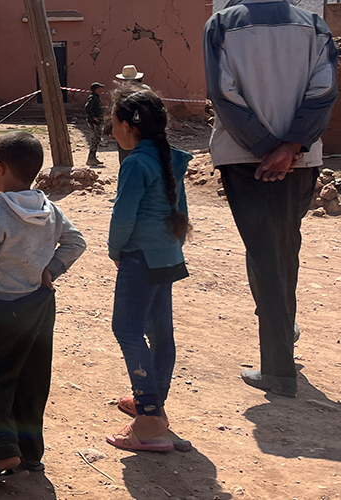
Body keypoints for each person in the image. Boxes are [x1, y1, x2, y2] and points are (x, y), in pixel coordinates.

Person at [204, 0, 339, 398]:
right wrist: (291, 147)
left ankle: (278, 367)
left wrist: (267, 149)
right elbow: (324, 90)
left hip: (247, 159)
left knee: (265, 251)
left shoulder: (223, 24)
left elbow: (223, 92)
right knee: (284, 245)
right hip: (303, 158)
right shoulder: (314, 25)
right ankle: (284, 327)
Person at [0, 131, 86, 484]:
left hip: (3, 308)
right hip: (41, 305)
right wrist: (51, 269)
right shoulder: (49, 207)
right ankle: (31, 454)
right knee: (32, 378)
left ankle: (3, 453)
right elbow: (76, 242)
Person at [105, 90, 192, 452]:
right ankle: (155, 407)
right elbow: (181, 212)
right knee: (160, 334)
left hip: (140, 257)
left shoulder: (136, 163)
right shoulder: (169, 158)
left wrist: (115, 251)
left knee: (126, 329)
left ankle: (149, 418)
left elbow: (123, 215)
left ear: (127, 126)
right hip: (167, 256)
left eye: (114, 124)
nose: (112, 132)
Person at [113, 66, 150, 165]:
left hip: (126, 127)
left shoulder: (120, 92)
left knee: (126, 154)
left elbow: (115, 111)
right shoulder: (146, 90)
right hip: (144, 126)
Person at [85, 82, 105, 167]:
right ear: (95, 89)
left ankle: (93, 157)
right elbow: (87, 107)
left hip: (98, 121)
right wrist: (93, 117)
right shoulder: (92, 98)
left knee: (97, 139)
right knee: (94, 139)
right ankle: (90, 159)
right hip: (94, 122)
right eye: (99, 88)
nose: (101, 90)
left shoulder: (96, 97)